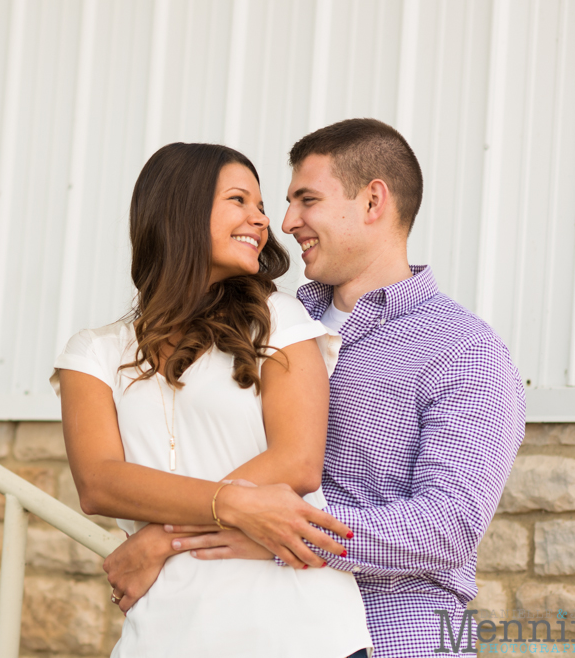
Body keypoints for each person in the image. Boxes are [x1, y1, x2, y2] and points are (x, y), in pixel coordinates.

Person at [103, 119, 526, 657]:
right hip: (253, 631)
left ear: (373, 201)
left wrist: (266, 534)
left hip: (396, 636)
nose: (285, 221)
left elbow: (447, 527)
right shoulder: (265, 321)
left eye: (307, 200)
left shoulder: (462, 349)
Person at [51, 142, 372, 657]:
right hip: (162, 636)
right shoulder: (94, 353)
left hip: (299, 630)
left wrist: (160, 539)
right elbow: (99, 483)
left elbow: (298, 462)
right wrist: (237, 504)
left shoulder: (279, 320)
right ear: (181, 209)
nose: (261, 220)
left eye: (261, 206)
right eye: (240, 200)